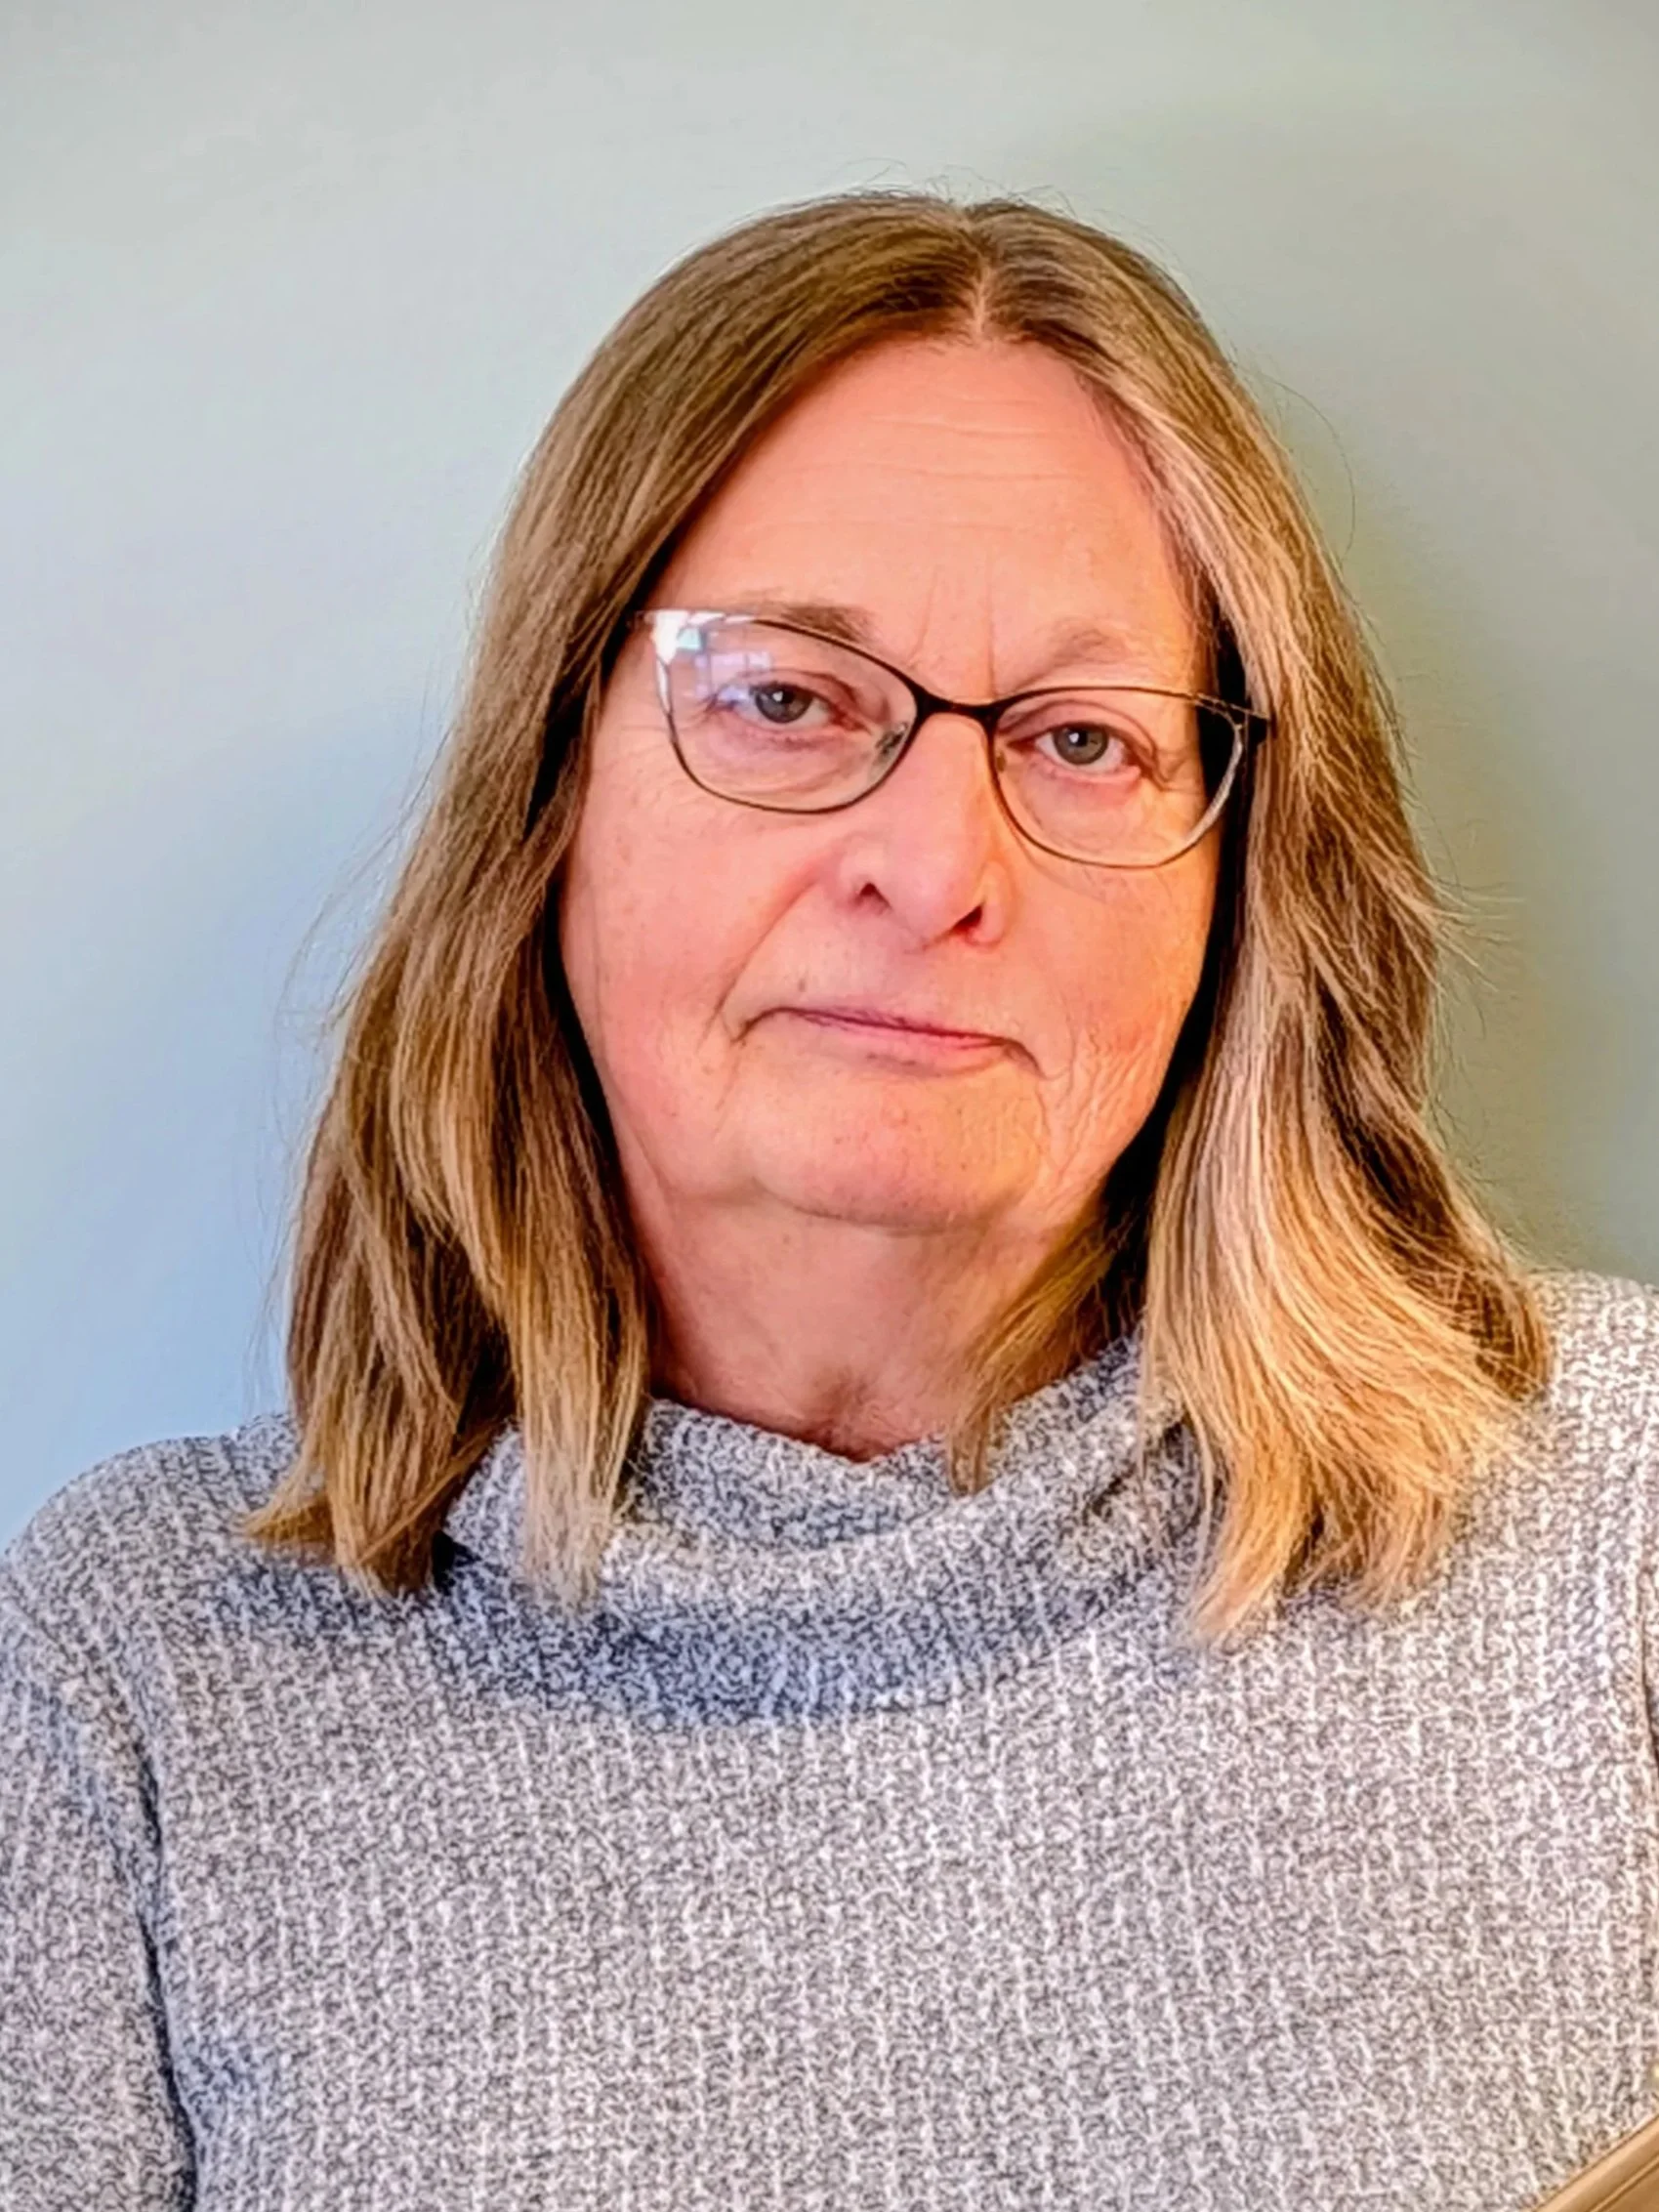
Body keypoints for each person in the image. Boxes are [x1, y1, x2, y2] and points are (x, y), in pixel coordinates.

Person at [3, 190, 1656, 2212]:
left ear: (1242, 898)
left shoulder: (1614, 1530)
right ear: (553, 799)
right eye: (788, 698)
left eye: (1082, 740)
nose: (935, 864)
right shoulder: (129, 1690)